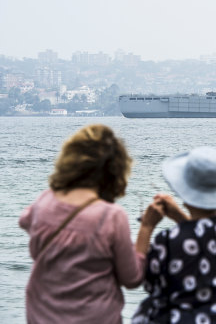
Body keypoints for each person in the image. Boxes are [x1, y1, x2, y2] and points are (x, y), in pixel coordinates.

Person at [19, 124, 164, 324]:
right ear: (115, 170)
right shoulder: (111, 216)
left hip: (40, 316)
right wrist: (146, 227)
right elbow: (132, 278)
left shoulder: (44, 200)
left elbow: (25, 221)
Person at [132, 146, 216, 324]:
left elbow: (143, 279)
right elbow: (206, 237)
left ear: (184, 188)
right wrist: (179, 217)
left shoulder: (167, 240)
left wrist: (146, 226)